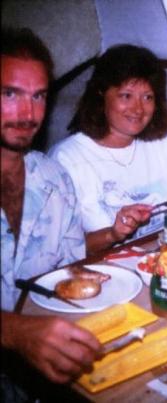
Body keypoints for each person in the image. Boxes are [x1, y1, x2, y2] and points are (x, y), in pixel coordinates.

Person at [49, 44, 167, 255]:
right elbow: (61, 251)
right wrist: (113, 234)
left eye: (147, 97)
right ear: (101, 94)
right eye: (126, 95)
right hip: (109, 271)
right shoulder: (66, 158)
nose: (138, 109)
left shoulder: (163, 140)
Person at [1, 27, 102, 398]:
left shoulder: (55, 179)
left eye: (39, 96)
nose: (27, 113)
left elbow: (71, 278)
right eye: (10, 93)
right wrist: (14, 331)